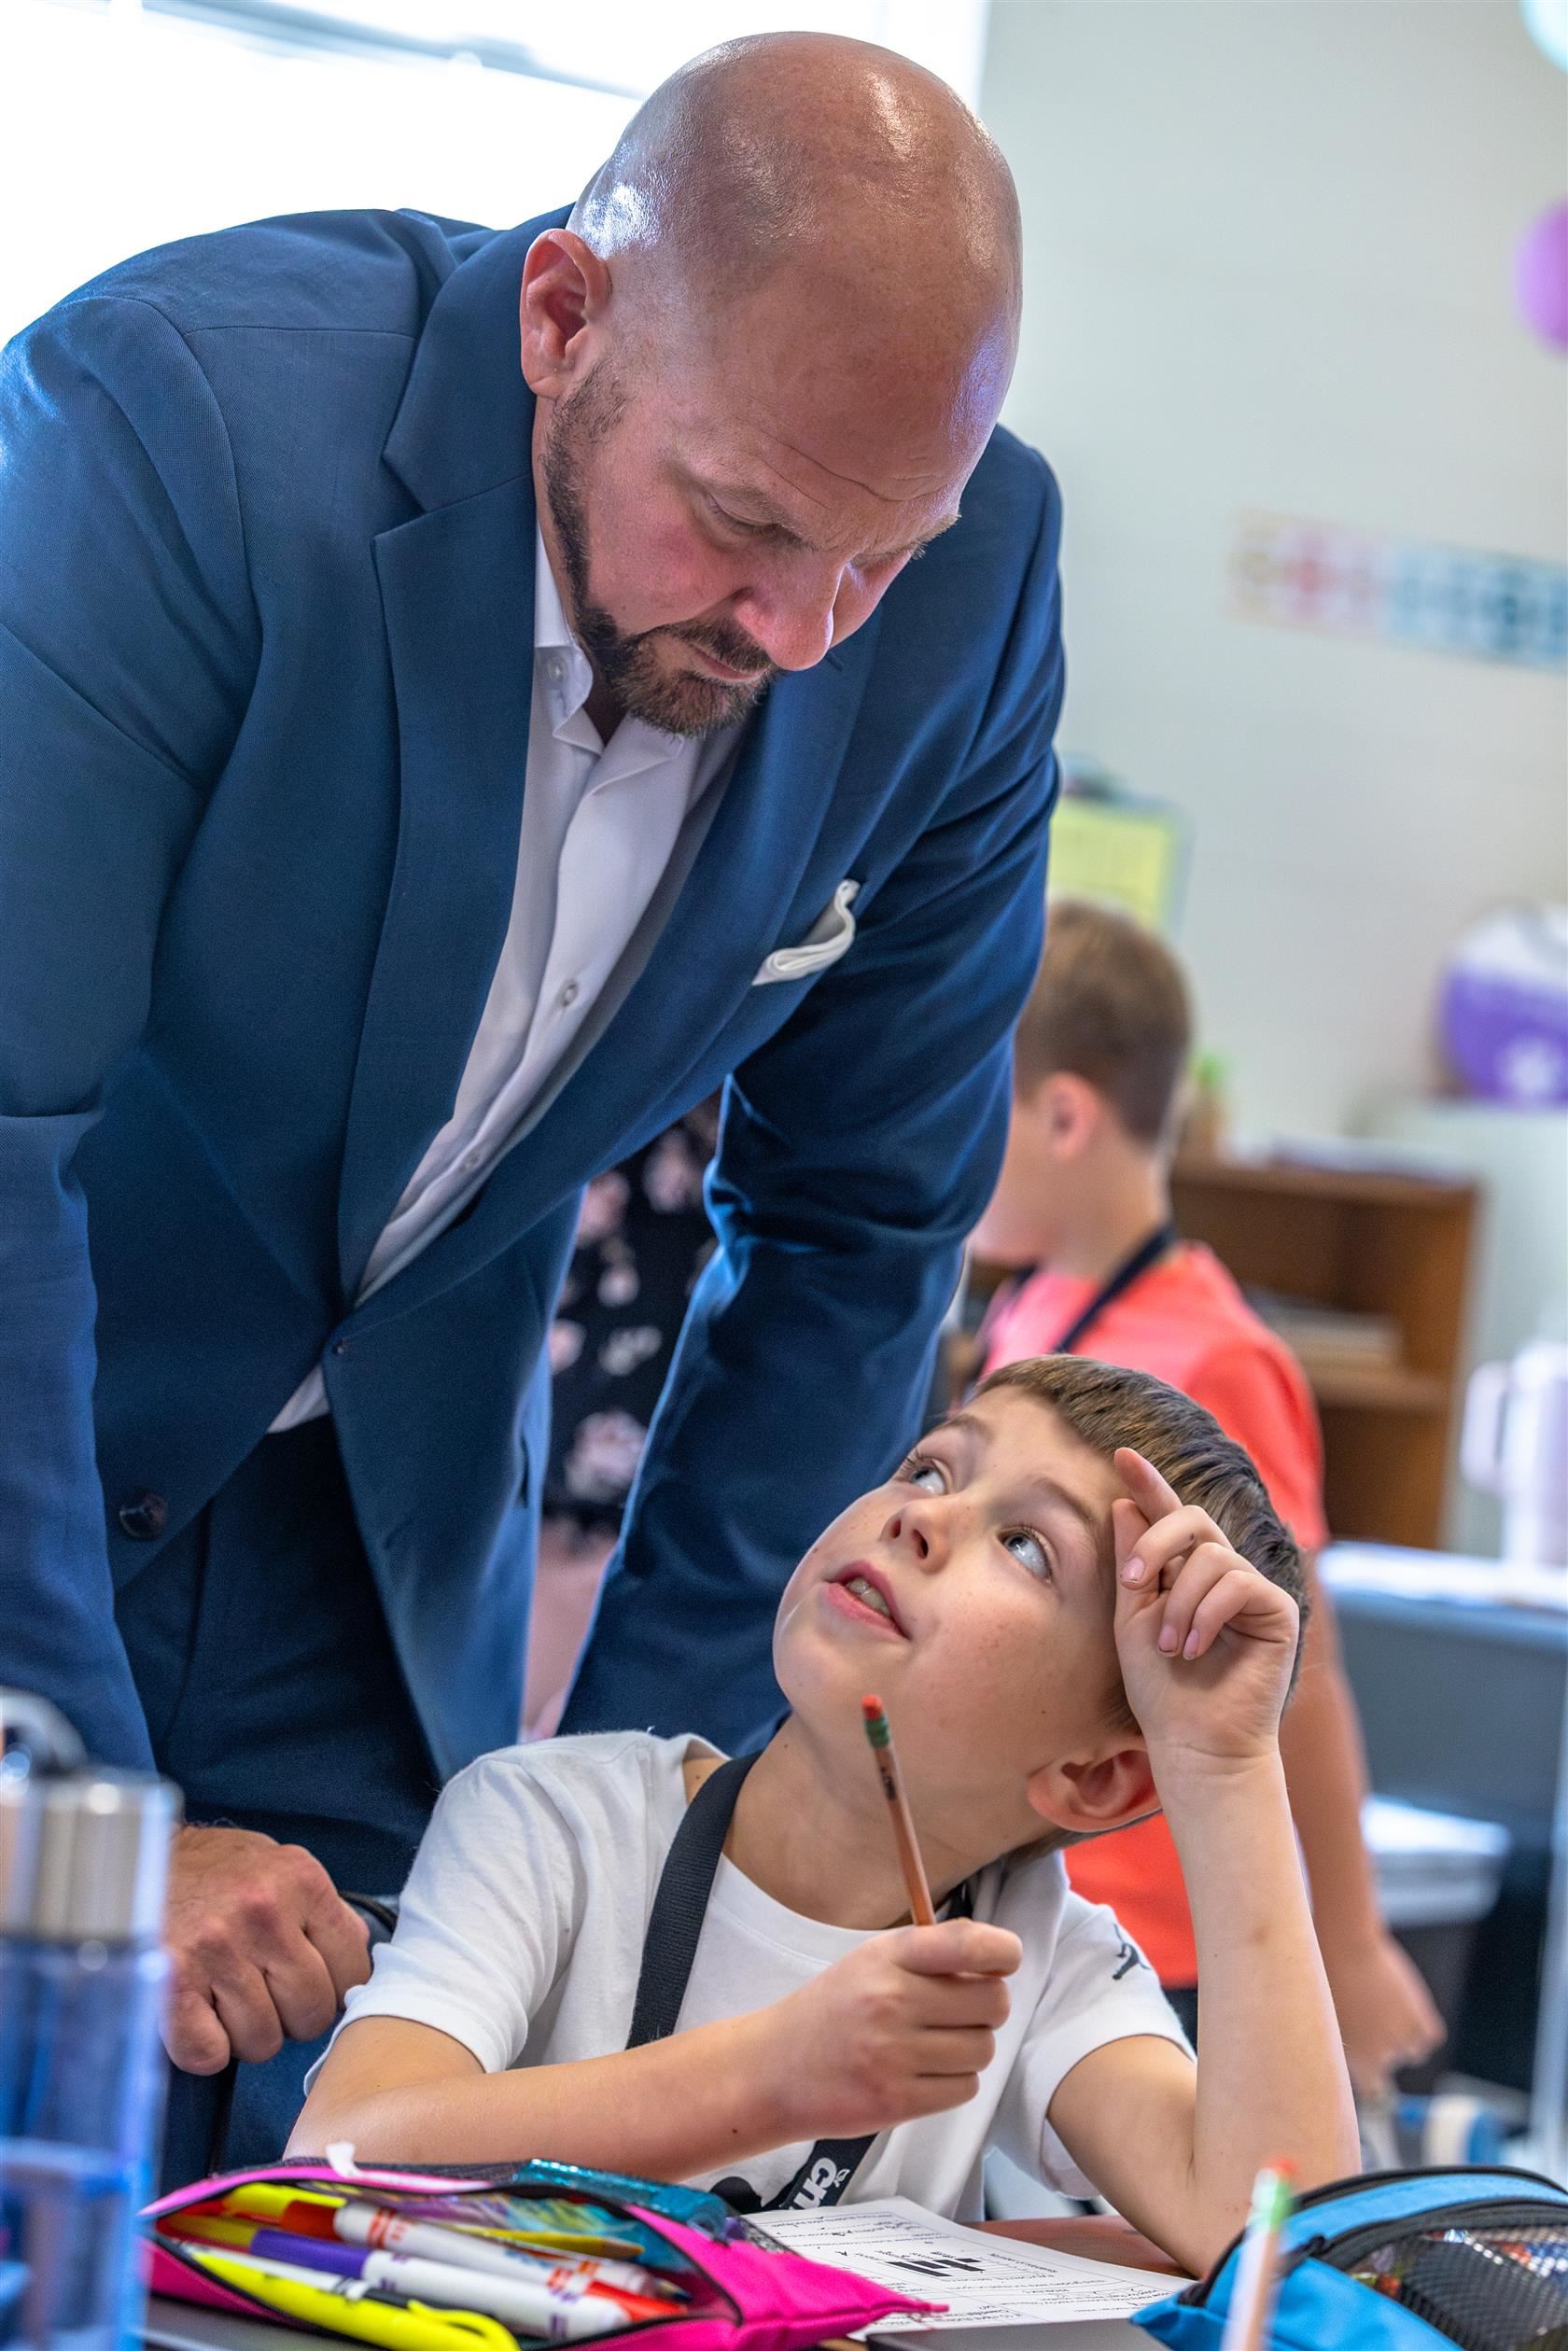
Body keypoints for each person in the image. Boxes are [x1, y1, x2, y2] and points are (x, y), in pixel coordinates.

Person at [0, 35, 1061, 2177]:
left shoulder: (961, 592)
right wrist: (65, 1826)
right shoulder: (180, 425)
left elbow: (857, 1234)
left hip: (378, 1571)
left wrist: (656, 1823)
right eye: (748, 522)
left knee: (357, 2219)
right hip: (30, 1447)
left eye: (877, 554)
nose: (801, 626)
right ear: (561, 316)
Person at [289, 1356, 1358, 2275]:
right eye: (932, 1466)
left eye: (1028, 1546)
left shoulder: (1037, 1953)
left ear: (1092, 1779)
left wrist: (1223, 1762)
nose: (923, 1516)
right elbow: (336, 2152)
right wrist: (772, 2073)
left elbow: (1276, 2238)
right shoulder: (550, 1820)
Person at [971, 902, 1444, 2098]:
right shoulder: (1028, 1309)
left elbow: (1304, 1669)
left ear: (1065, 1115)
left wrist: (1347, 1939)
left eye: (975, 1101)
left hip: (1156, 1932)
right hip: (1036, 1869)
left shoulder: (1219, 1358)